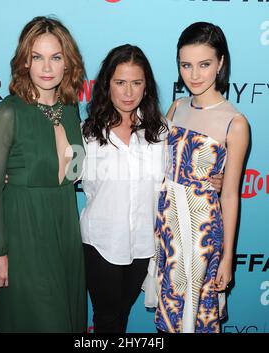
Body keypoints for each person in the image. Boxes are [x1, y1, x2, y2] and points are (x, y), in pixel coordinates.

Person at [80, 44, 223, 333]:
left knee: (121, 314)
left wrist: (213, 179)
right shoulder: (86, 133)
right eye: (120, 83)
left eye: (136, 83)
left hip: (147, 246)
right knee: (107, 318)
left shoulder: (160, 132)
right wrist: (18, 174)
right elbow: (56, 173)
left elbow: (186, 171)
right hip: (101, 243)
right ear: (107, 85)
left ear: (147, 87)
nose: (128, 92)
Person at [0, 16, 87, 333]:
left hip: (65, 230)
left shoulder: (69, 108)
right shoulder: (7, 113)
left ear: (67, 63)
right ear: (25, 60)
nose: (47, 67)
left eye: (56, 57)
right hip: (25, 234)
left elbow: (74, 172)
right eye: (37, 56)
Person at [154, 22, 249, 333]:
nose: (194, 75)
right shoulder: (176, 107)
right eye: (186, 65)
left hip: (200, 234)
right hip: (167, 228)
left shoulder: (235, 123)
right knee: (170, 319)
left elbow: (231, 195)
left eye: (204, 64)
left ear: (220, 63)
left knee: (195, 319)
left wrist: (227, 258)